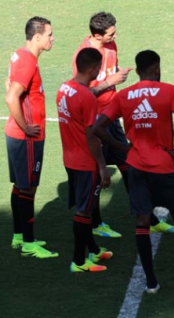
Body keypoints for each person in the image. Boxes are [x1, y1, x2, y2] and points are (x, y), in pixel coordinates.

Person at [93, 50, 174, 293]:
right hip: (164, 165)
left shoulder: (124, 95)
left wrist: (122, 147)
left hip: (136, 166)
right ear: (156, 69)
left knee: (142, 221)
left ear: (138, 69)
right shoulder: (169, 90)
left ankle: (151, 283)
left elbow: (98, 127)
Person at [73, 11, 174, 237]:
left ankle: (150, 218)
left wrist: (116, 75)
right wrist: (111, 82)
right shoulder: (85, 55)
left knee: (129, 166)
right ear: (97, 36)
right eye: (111, 33)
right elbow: (82, 92)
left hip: (113, 116)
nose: (115, 35)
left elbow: (110, 73)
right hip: (96, 119)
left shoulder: (111, 45)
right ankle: (97, 224)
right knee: (97, 173)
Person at [5, 16, 58, 258]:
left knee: (21, 187)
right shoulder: (27, 61)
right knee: (28, 188)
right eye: (49, 34)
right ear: (37, 37)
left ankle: (18, 235)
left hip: (19, 135)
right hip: (26, 137)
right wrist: (26, 127)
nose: (52, 38)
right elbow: (11, 96)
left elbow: (9, 84)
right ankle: (28, 242)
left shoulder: (20, 55)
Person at [57, 48, 114, 272]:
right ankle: (79, 262)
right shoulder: (87, 97)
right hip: (85, 161)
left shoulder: (63, 89)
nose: (100, 72)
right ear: (91, 68)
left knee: (86, 208)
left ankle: (94, 249)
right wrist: (102, 166)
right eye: (99, 68)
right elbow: (92, 136)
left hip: (69, 157)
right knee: (83, 211)